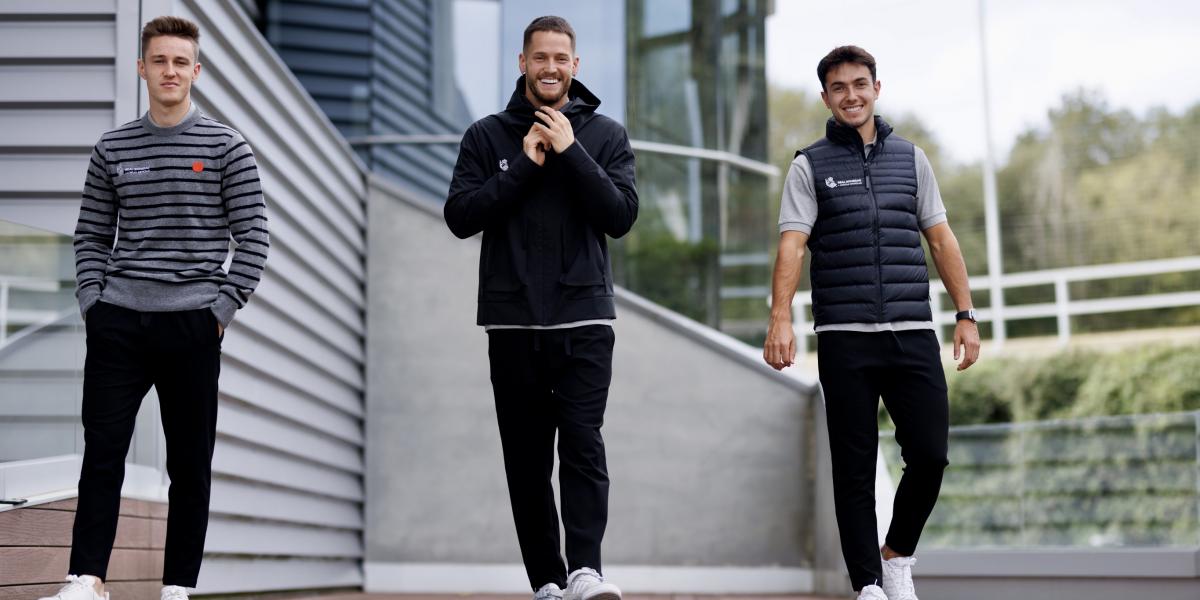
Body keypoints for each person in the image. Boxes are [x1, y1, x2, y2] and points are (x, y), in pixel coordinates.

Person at [41, 15, 269, 600]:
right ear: (141, 68)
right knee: (103, 455)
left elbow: (255, 238)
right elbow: (90, 235)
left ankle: (177, 587)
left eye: (180, 62)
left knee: (189, 468)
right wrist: (94, 302)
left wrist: (220, 310)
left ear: (197, 70)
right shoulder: (113, 147)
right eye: (159, 61)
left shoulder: (226, 147)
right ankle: (86, 578)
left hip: (194, 324)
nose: (170, 71)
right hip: (119, 321)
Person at [763, 45, 980, 600]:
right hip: (844, 339)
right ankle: (867, 586)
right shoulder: (809, 165)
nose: (851, 95)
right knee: (854, 468)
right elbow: (793, 245)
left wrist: (966, 314)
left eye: (860, 84)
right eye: (839, 88)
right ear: (826, 98)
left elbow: (940, 238)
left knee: (930, 455)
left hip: (912, 332)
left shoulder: (912, 158)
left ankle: (896, 556)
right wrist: (780, 320)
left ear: (876, 89)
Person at [444, 14, 637, 600]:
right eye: (540, 57)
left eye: (561, 58)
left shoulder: (605, 135)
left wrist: (570, 151)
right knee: (527, 462)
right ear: (522, 63)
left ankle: (585, 570)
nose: (550, 67)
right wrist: (524, 164)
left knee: (583, 446)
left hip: (584, 321)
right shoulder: (485, 137)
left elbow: (620, 216)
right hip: (512, 324)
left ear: (575, 67)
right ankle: (547, 582)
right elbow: (460, 217)